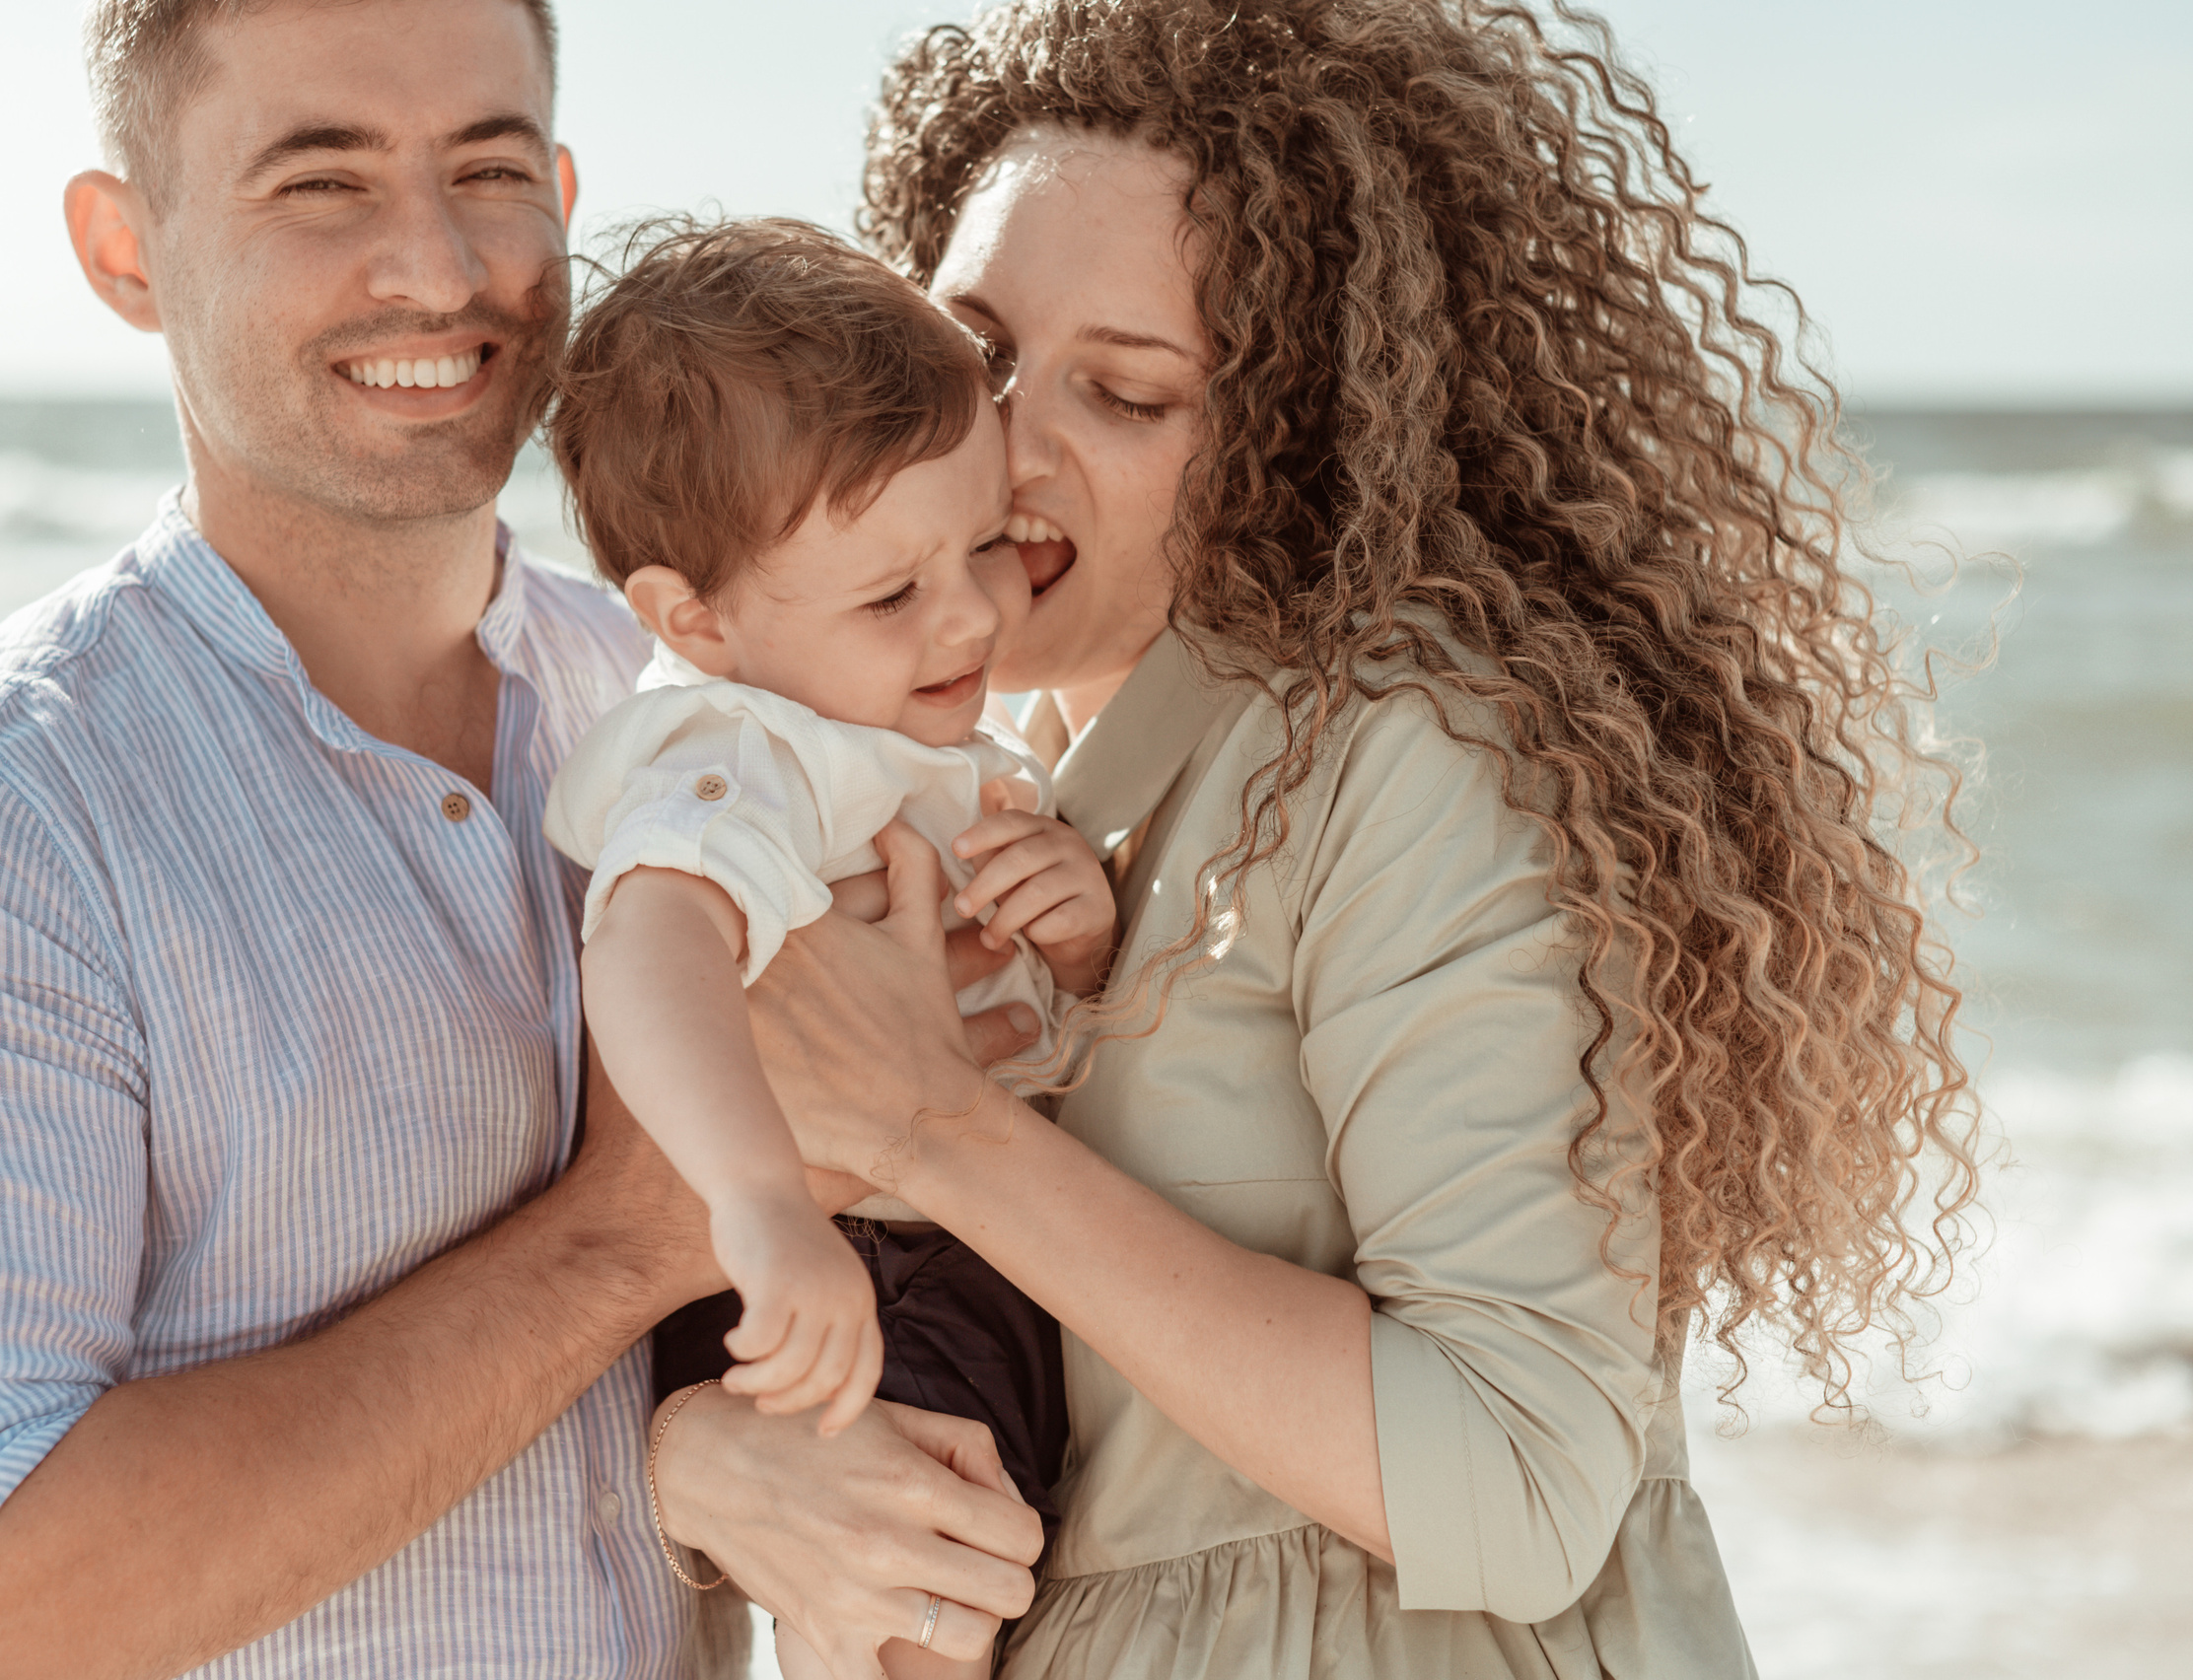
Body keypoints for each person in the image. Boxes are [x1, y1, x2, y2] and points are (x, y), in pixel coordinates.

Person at [0, 2, 1043, 1675]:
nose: (436, 267)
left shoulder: (720, 698)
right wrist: (631, 1237)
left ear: (559, 195)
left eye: (488, 171)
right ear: (127, 248)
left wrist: (691, 1455)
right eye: (321, 182)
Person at [647, 2, 1982, 1675]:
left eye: (1126, 395)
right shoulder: (965, 786)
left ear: (1300, 437)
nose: (1009, 446)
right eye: (979, 352)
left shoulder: (1401, 750)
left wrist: (938, 1134)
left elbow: (1520, 1477)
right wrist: (693, 1460)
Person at [543, 216, 1105, 1678]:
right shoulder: (742, 752)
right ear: (697, 618)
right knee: (918, 1588)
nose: (972, 611)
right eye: (893, 594)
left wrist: (1075, 928)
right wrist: (759, 1204)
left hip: (963, 1239)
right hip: (855, 1259)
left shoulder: (882, 726)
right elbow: (650, 945)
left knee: (963, 1579)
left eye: (982, 544)